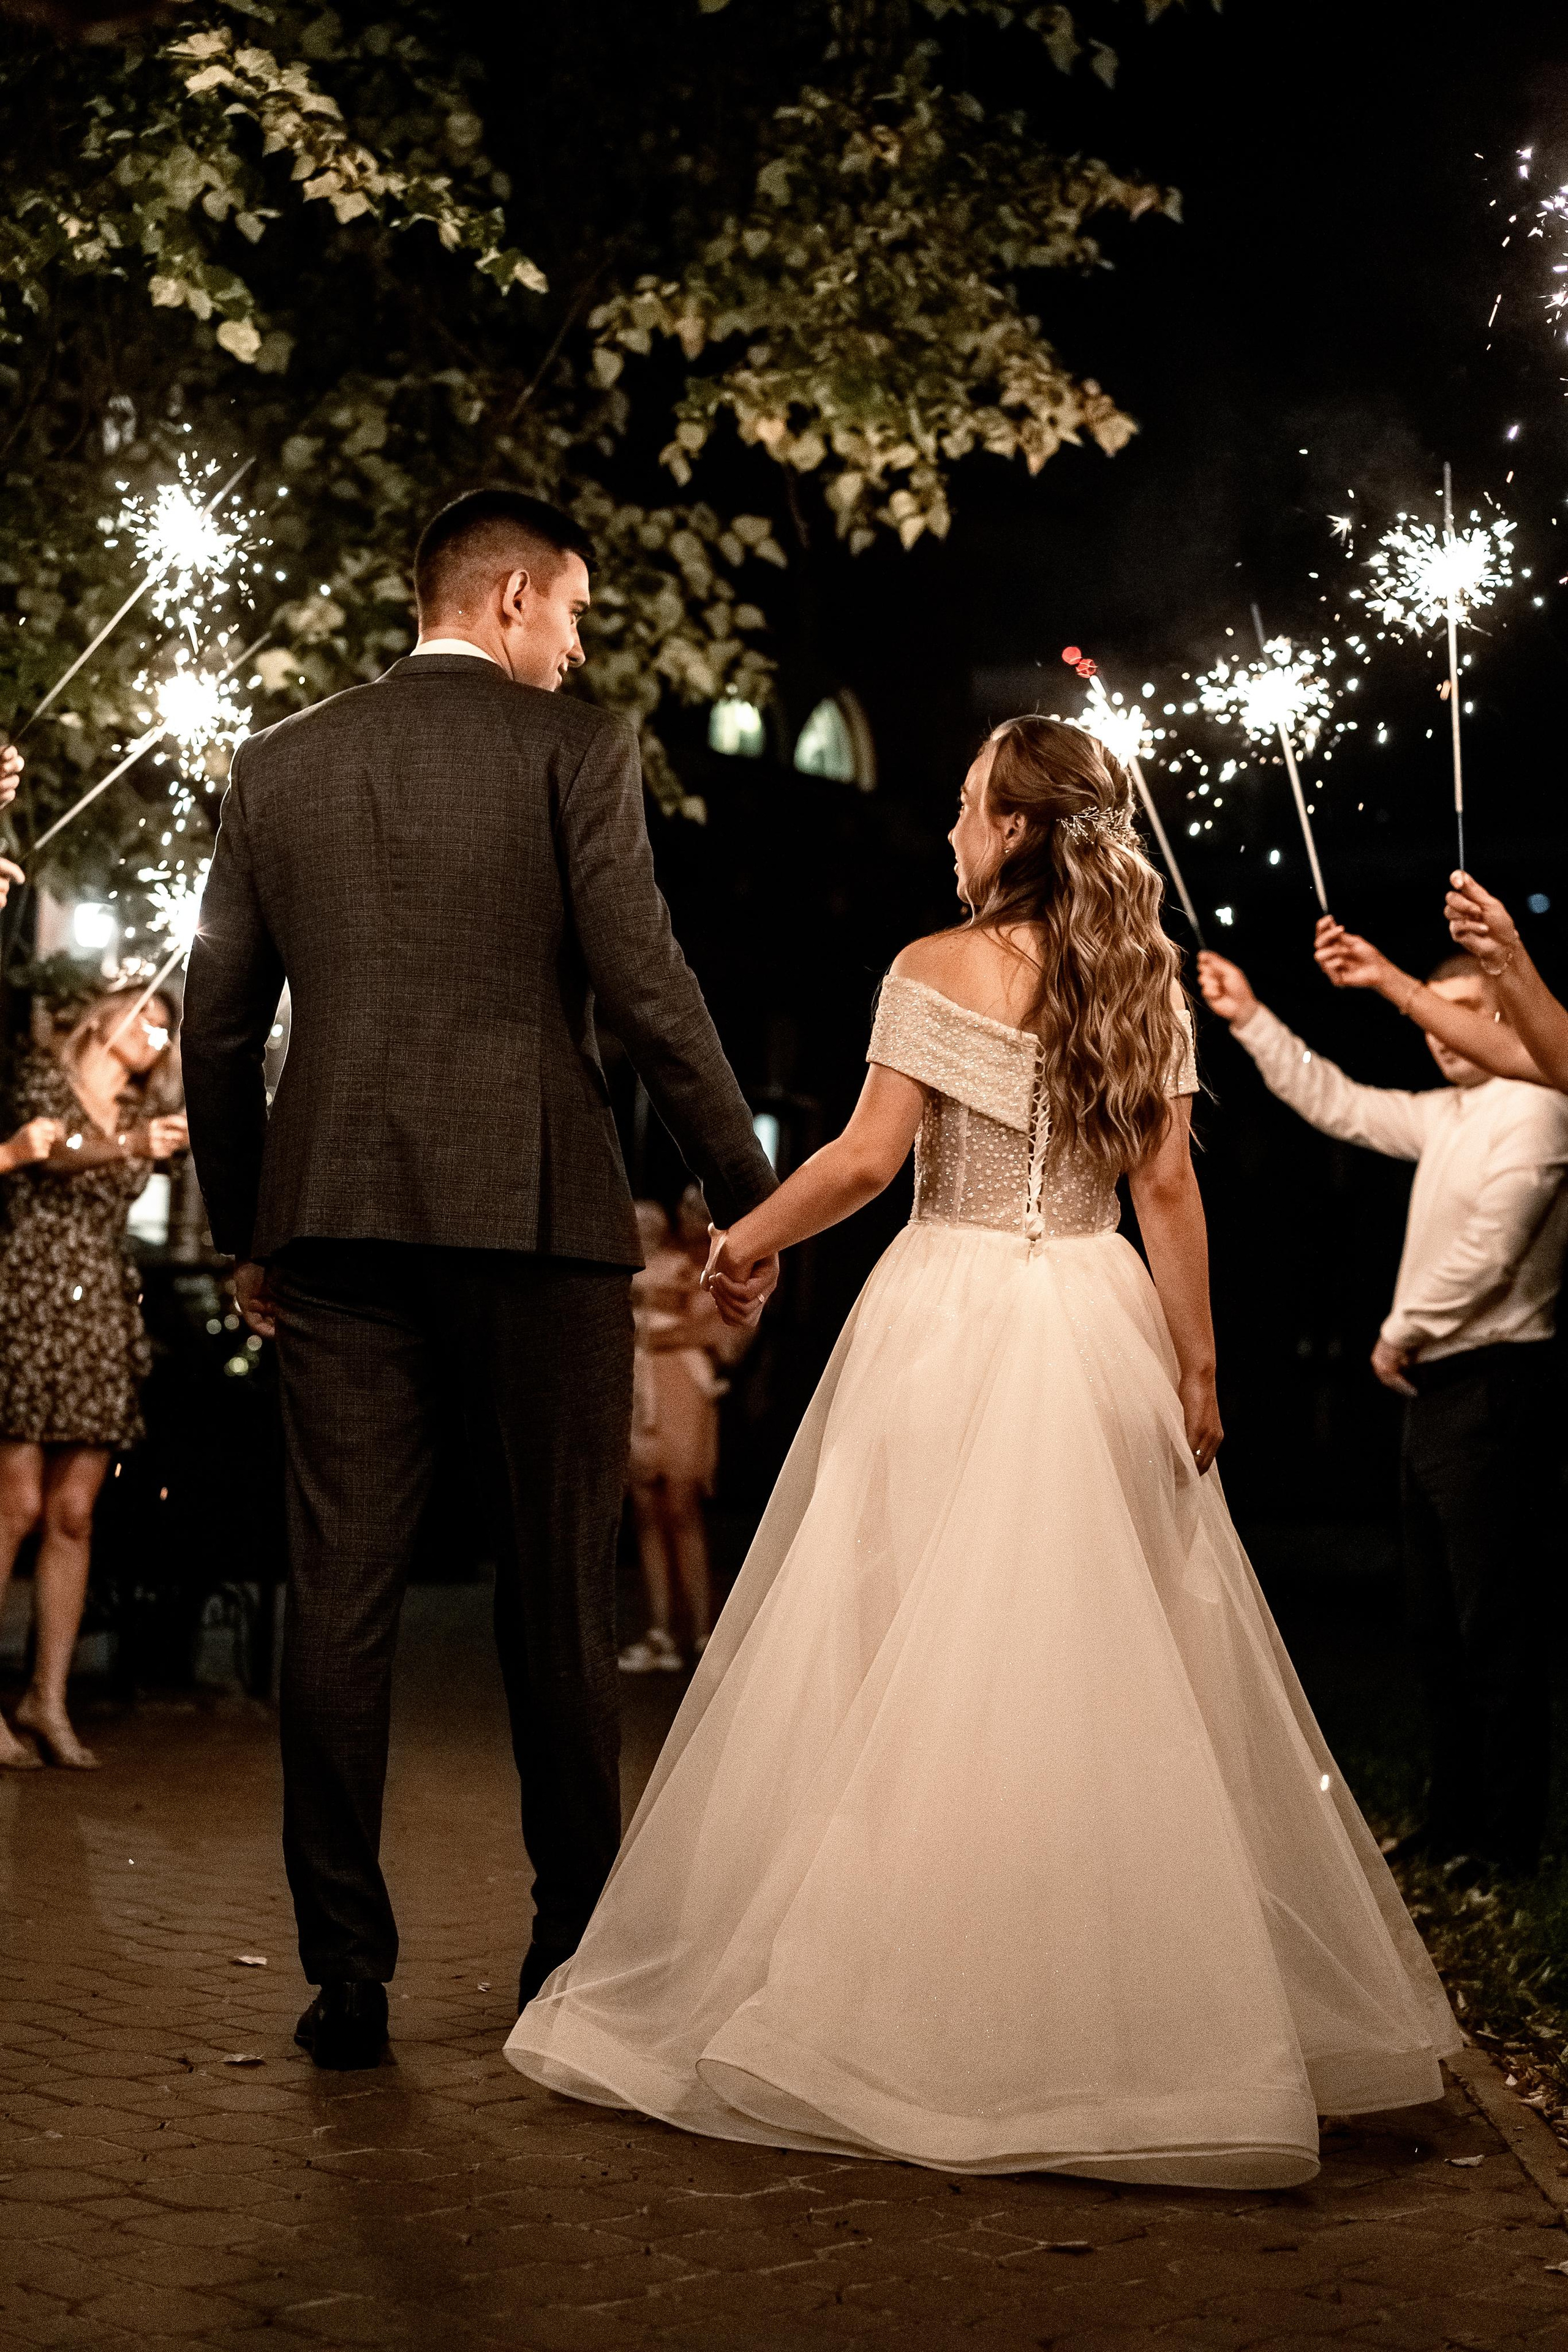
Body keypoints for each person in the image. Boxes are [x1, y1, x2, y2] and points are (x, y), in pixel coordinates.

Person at [505, 717, 1459, 2190]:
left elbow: (866, 1163)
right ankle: (1109, 1996)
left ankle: (904, 1979)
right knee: (1098, 1650)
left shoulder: (928, 967)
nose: (948, 829)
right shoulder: (1135, 979)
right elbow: (1166, 1194)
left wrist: (740, 1239)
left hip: (943, 1312)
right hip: (1092, 1313)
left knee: (890, 1636)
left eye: (963, 806)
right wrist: (1195, 1366)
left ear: (1012, 830)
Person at [181, 488, 778, 2072]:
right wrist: (749, 1198)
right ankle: (567, 1954)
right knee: (556, 1600)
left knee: (341, 1592)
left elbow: (220, 1026)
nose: (582, 644)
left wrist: (249, 1226)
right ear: (512, 601)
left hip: (337, 1221)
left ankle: (345, 1977)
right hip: (538, 1216)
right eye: (575, 612)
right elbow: (645, 983)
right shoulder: (576, 746)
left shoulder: (279, 762)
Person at [1198, 944, 1568, 1880]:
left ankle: (1507, 1843)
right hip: (1439, 1394)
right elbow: (1337, 1102)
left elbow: (1493, 1248)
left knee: (1496, 1624)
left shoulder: (1540, 1109)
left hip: (1496, 1383)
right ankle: (1452, 1828)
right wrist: (1248, 1017)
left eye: (1468, 1008)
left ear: (1509, 1014)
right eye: (1433, 1009)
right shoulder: (1448, 1113)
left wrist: (1397, 1332)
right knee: (1435, 1623)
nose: (1443, 1031)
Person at [0, 985, 186, 1771]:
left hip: (102, 1310)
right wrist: (133, 1147)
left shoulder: (147, 1117)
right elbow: (48, 1154)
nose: (153, 1034)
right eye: (145, 1015)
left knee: (74, 1512)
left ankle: (48, 1698)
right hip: (32, 1295)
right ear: (107, 1016)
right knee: (17, 1505)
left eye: (164, 1030)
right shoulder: (43, 1080)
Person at [622, 1192, 751, 1674]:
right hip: (637, 1386)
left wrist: (654, 1331)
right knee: (646, 1513)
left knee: (681, 1507)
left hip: (679, 1384)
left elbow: (722, 1333)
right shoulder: (630, 1267)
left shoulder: (695, 1266)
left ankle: (701, 1633)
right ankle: (660, 1632)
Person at [1312, 880, 1568, 1088]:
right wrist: (1383, 975)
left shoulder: (1538, 1099)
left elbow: (1536, 1054)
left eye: (1466, 1009)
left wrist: (1505, 955)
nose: (1443, 1039)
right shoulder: (1437, 1112)